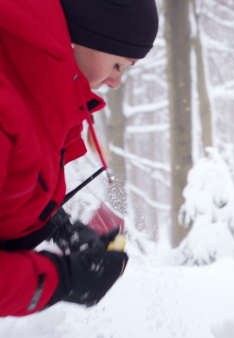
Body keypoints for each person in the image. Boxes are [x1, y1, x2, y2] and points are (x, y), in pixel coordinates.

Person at [0, 0, 158, 316]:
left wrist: (55, 226)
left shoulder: (33, 93)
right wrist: (61, 280)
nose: (115, 82)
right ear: (86, 37)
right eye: (118, 65)